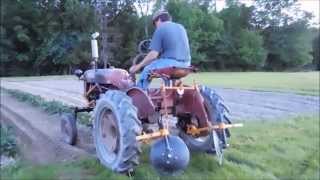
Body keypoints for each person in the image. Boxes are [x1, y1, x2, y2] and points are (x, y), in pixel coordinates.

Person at [129, 10, 191, 90]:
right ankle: (169, 94)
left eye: (155, 24)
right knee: (164, 70)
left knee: (147, 70)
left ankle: (138, 95)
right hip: (187, 65)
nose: (156, 26)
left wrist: (137, 67)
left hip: (172, 64)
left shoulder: (161, 28)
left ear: (158, 19)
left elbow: (153, 55)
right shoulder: (181, 27)